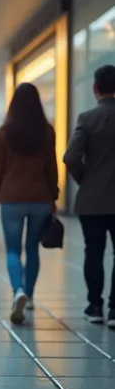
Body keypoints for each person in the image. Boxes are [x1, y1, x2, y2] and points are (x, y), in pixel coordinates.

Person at [0, 83, 58, 325]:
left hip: (12, 198)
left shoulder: (4, 132)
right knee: (33, 249)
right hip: (40, 198)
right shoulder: (47, 132)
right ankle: (29, 297)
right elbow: (51, 167)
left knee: (13, 250)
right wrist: (54, 195)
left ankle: (18, 290)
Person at [64, 64, 115, 326]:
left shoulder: (87, 118)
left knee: (93, 252)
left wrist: (86, 179)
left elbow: (71, 157)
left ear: (95, 88)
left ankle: (95, 306)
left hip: (92, 200)